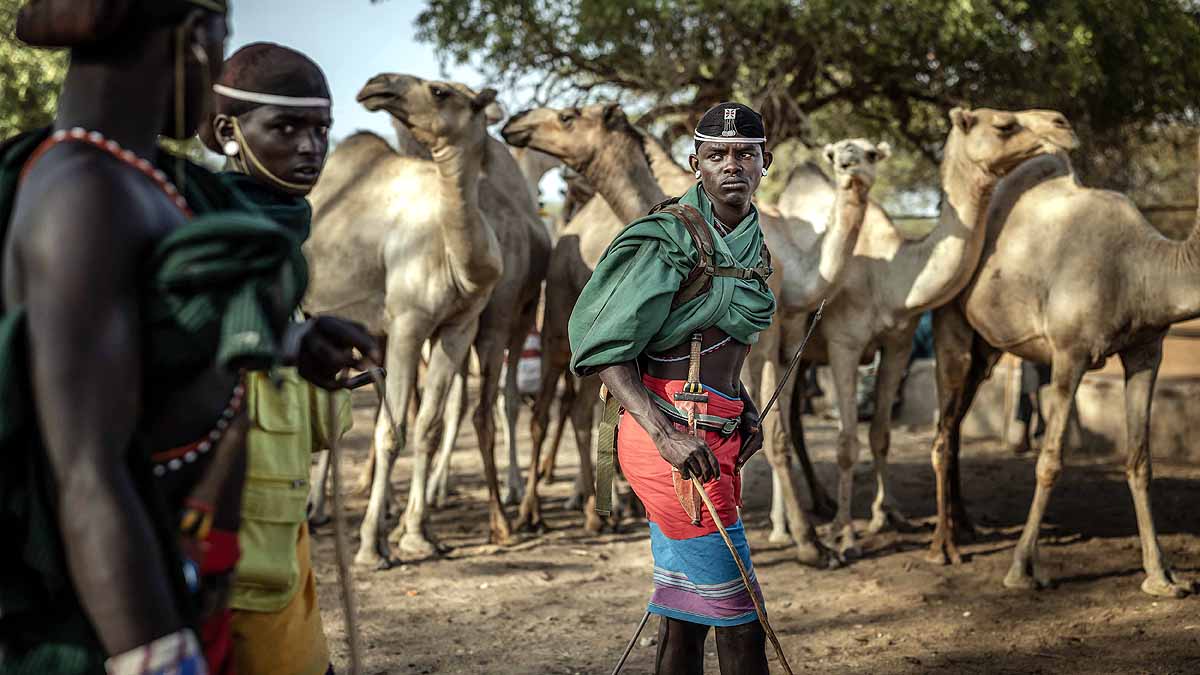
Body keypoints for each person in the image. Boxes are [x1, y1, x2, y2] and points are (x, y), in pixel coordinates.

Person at [0, 3, 377, 674]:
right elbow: (83, 466)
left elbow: (144, 342)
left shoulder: (151, 185)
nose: (309, 148)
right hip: (113, 612)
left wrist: (294, 343)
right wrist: (158, 657)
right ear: (196, 38)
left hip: (193, 573)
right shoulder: (86, 193)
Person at [569, 102, 777, 674]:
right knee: (741, 622)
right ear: (696, 163)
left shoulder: (753, 244)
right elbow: (602, 349)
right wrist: (665, 436)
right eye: (717, 154)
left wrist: (744, 403)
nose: (732, 164)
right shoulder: (665, 239)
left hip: (721, 432)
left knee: (683, 620)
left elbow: (716, 338)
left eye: (745, 154)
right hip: (670, 441)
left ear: (765, 162)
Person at [196, 42, 347, 675]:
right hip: (219, 526)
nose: (311, 148)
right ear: (229, 131)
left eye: (321, 130)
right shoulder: (201, 232)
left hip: (283, 521)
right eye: (286, 128)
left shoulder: (287, 234)